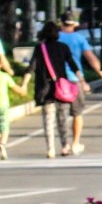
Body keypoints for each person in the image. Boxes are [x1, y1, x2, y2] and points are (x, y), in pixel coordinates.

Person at [30, 20, 80, 159]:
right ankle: (65, 146)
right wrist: (81, 79)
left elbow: (32, 67)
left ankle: (50, 149)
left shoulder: (40, 48)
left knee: (48, 120)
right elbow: (72, 63)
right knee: (62, 118)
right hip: (61, 89)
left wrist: (24, 82)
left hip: (45, 89)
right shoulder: (63, 47)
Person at [57, 10, 98, 155]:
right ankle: (75, 143)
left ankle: (64, 144)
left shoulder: (56, 38)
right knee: (77, 113)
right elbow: (90, 57)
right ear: (74, 24)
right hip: (75, 80)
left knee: (61, 114)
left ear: (61, 23)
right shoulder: (80, 39)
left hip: (59, 81)